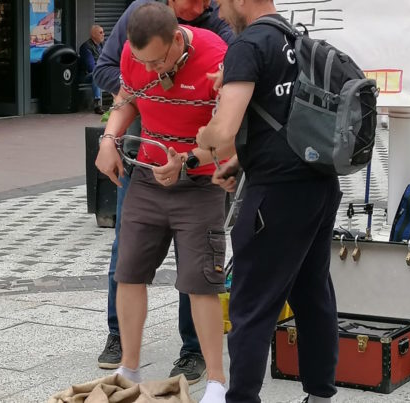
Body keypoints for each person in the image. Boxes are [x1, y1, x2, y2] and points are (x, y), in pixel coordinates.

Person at [197, 1, 341, 402]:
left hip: (276, 194)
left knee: (251, 305)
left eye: (223, 4)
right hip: (319, 185)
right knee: (313, 294)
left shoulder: (249, 45)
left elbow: (222, 132)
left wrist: (203, 139)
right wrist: (241, 161)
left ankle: (241, 398)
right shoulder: (298, 40)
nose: (221, 14)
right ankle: (320, 394)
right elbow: (288, 120)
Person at [92, 0, 233, 385]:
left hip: (201, 181)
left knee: (200, 282)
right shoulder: (133, 55)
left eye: (158, 62)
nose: (152, 70)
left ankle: (217, 382)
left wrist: (186, 161)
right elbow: (127, 97)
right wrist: (109, 139)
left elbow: (230, 135)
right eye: (144, 63)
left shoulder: (216, 55)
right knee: (129, 272)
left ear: (175, 39)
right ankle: (129, 369)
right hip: (148, 176)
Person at [80, 25, 105, 114]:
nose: (103, 35)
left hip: (102, 72)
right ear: (93, 35)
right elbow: (91, 67)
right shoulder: (86, 47)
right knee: (96, 74)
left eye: (103, 32)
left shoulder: (101, 45)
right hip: (87, 76)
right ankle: (97, 104)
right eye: (100, 33)